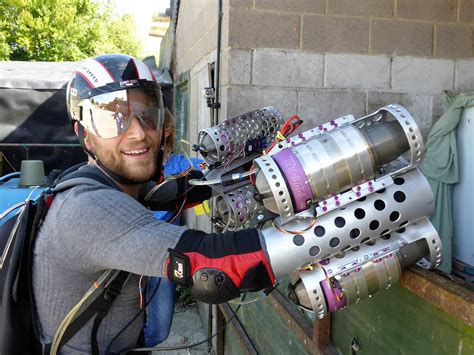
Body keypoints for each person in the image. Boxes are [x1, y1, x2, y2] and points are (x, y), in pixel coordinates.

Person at [33, 53, 275, 354]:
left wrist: (260, 174)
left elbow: (175, 192)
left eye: (148, 114)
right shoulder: (88, 209)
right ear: (85, 135)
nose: (138, 133)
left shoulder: (115, 185)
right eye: (113, 119)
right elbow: (214, 264)